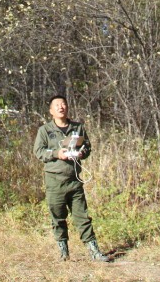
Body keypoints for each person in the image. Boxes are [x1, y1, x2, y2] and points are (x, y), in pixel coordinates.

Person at [33, 94, 110, 262]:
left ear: (67, 107)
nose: (61, 107)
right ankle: (63, 252)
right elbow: (38, 152)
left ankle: (94, 251)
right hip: (55, 181)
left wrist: (82, 152)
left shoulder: (78, 128)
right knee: (58, 217)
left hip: (74, 179)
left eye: (63, 104)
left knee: (82, 217)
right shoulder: (45, 131)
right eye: (57, 105)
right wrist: (56, 153)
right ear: (51, 111)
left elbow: (87, 147)